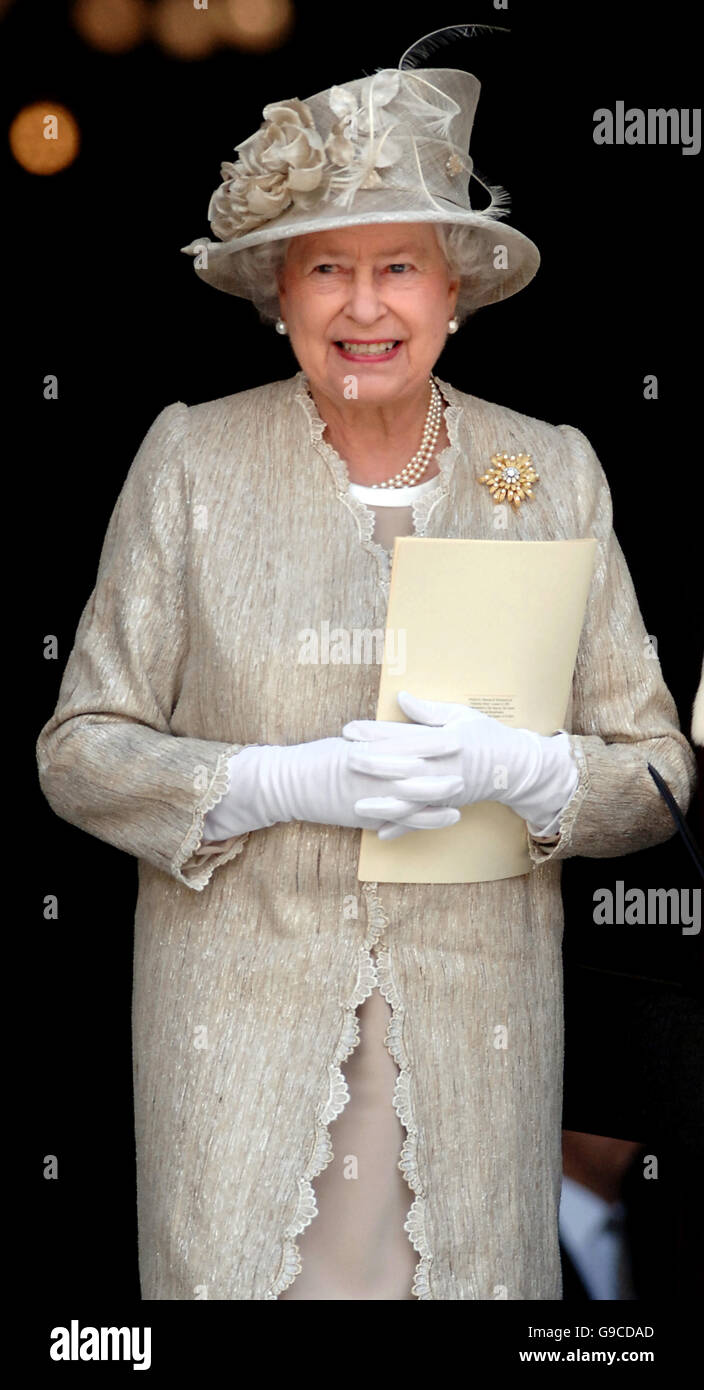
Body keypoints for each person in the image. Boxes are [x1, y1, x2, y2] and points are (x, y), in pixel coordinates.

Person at [35, 32, 697, 1300]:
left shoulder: (547, 470)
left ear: (454, 293)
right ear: (276, 295)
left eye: (398, 267)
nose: (362, 305)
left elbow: (655, 770)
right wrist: (274, 782)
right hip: (238, 1043)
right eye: (324, 268)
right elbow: (80, 750)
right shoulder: (191, 461)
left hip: (471, 1052)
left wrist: (533, 771)